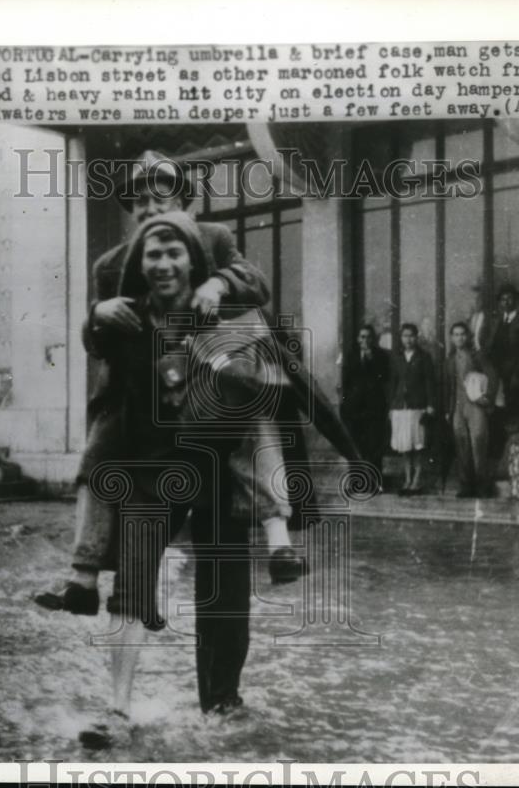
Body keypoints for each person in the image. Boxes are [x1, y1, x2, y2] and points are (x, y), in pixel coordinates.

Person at [74, 212, 357, 747]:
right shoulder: (128, 316)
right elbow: (98, 344)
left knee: (226, 591)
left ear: (194, 252)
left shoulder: (228, 302)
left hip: (222, 465)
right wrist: (95, 315)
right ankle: (116, 709)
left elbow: (278, 377)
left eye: (173, 253)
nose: (162, 264)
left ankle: (223, 701)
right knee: (131, 586)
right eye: (152, 254)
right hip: (152, 466)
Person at [38, 149, 295, 617]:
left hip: (210, 383)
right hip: (143, 404)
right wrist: (96, 315)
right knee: (98, 456)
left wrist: (218, 284)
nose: (151, 210)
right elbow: (99, 346)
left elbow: (255, 282)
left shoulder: (214, 238)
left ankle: (278, 540)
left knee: (246, 428)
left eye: (162, 199)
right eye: (140, 203)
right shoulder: (112, 266)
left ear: (185, 202)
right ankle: (83, 574)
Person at [444, 321, 497, 498]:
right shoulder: (450, 360)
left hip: (475, 405)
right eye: (456, 334)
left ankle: (483, 485)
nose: (459, 338)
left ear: (468, 336)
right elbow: (448, 386)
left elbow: (492, 375)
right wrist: (448, 409)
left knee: (478, 441)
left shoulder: (477, 356)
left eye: (462, 334)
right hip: (458, 406)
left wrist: (487, 397)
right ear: (451, 338)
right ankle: (466, 485)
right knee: (461, 444)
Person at [340, 324, 391, 489]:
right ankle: (357, 481)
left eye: (368, 337)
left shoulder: (381, 356)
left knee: (374, 445)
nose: (365, 340)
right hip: (355, 408)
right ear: (357, 339)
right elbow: (346, 382)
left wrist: (370, 359)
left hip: (374, 407)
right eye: (362, 337)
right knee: (355, 445)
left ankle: (375, 482)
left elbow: (385, 377)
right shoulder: (351, 356)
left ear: (373, 339)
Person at [389, 323, 435, 494]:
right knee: (404, 446)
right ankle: (407, 479)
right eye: (405, 336)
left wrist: (430, 405)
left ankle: (417, 479)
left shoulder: (424, 357)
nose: (408, 339)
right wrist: (391, 406)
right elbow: (393, 383)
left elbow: (430, 383)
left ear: (417, 337)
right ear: (401, 338)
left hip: (418, 407)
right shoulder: (397, 357)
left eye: (411, 336)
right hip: (400, 407)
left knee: (418, 445)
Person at [487, 283, 519, 456]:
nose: (506, 302)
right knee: (497, 411)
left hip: (513, 375)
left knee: (513, 411)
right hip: (496, 374)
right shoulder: (496, 320)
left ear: (516, 300)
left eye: (510, 298)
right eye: (503, 299)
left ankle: (513, 452)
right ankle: (497, 453)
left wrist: (517, 374)